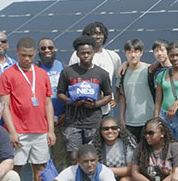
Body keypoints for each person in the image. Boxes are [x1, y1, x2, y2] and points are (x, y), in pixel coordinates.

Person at [0, 37, 56, 181]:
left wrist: (50, 130)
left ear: (34, 54)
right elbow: (4, 106)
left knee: (40, 167)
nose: (26, 59)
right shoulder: (8, 74)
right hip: (19, 131)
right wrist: (11, 131)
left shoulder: (42, 74)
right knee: (15, 167)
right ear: (16, 52)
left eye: (30, 55)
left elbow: (48, 103)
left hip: (40, 130)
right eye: (23, 55)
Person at [57, 35, 112, 165]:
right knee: (74, 158)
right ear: (77, 54)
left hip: (93, 122)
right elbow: (60, 93)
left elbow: (109, 95)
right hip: (72, 122)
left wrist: (96, 104)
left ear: (93, 53)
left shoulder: (102, 74)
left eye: (88, 53)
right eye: (82, 53)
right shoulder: (68, 72)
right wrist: (70, 101)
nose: (86, 56)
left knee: (92, 157)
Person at [69, 22, 121, 117]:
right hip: (83, 109)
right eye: (94, 33)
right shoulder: (77, 55)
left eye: (100, 33)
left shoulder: (113, 56)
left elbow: (119, 78)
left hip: (106, 109)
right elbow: (70, 78)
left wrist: (117, 98)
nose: (98, 37)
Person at [36, 37, 68, 168]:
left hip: (60, 120)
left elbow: (69, 92)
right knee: (42, 159)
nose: (47, 50)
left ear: (55, 49)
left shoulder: (64, 67)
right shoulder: (34, 69)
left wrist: (66, 113)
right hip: (41, 122)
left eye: (50, 47)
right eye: (43, 48)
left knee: (59, 157)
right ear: (38, 51)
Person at [90, 116, 136, 181]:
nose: (110, 131)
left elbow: (131, 170)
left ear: (119, 129)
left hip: (123, 177)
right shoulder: (93, 144)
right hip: (102, 178)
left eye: (114, 128)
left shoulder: (127, 142)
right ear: (100, 131)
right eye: (106, 129)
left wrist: (107, 170)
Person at [117, 39, 154, 140]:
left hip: (148, 120)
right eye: (129, 52)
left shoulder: (149, 71)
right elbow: (123, 96)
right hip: (130, 122)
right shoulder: (122, 74)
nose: (133, 55)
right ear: (125, 53)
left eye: (136, 52)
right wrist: (121, 117)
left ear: (141, 53)